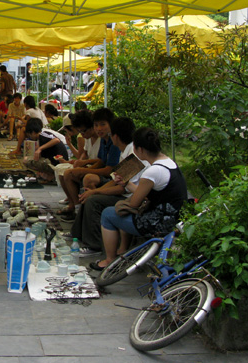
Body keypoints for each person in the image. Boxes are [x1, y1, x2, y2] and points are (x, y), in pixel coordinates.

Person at [89, 127, 188, 271]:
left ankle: (109, 260)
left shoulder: (152, 172)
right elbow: (147, 194)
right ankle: (123, 250)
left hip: (159, 223)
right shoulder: (167, 162)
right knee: (120, 208)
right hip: (173, 216)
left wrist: (125, 187)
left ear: (140, 149)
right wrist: (127, 183)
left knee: (108, 214)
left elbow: (135, 202)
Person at [70, 117, 145, 256]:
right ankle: (77, 234)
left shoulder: (132, 153)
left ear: (115, 136)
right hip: (124, 192)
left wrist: (95, 193)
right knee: (89, 194)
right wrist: (94, 191)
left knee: (93, 200)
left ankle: (95, 245)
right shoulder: (126, 151)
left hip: (130, 197)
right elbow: (115, 180)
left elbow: (121, 188)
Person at [58, 108, 121, 222]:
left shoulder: (116, 142)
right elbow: (100, 161)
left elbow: (109, 170)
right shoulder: (103, 139)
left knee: (88, 178)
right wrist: (82, 168)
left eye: (102, 124)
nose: (99, 128)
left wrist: (85, 170)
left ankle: (89, 215)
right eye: (96, 125)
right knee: (68, 173)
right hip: (113, 177)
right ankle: (77, 209)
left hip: (115, 179)